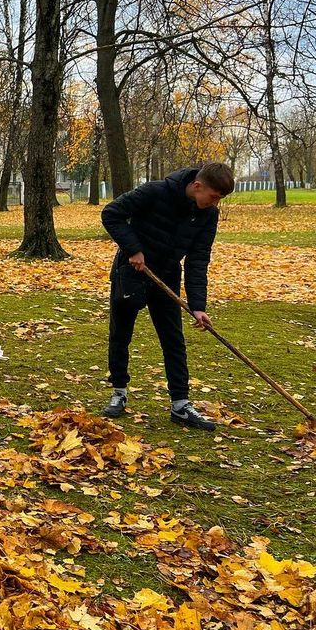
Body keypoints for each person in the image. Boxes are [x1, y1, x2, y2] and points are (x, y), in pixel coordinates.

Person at [100, 162, 235, 431]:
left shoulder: (208, 215)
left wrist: (198, 306)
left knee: (173, 338)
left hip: (168, 276)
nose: (215, 203)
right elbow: (111, 213)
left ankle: (180, 404)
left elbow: (198, 260)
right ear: (197, 186)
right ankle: (119, 392)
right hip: (132, 270)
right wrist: (133, 249)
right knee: (121, 333)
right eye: (214, 196)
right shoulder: (154, 192)